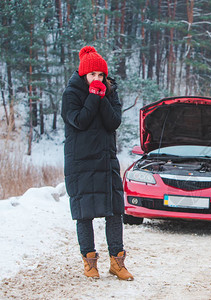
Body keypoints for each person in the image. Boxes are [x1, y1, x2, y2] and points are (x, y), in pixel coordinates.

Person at [61, 46, 133, 281]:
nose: (98, 79)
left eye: (101, 75)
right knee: (85, 213)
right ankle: (90, 262)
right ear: (84, 75)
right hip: (80, 163)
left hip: (105, 161)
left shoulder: (110, 92)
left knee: (114, 212)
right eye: (93, 75)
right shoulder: (71, 94)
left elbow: (113, 122)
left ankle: (117, 262)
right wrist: (93, 96)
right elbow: (79, 121)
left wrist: (102, 96)